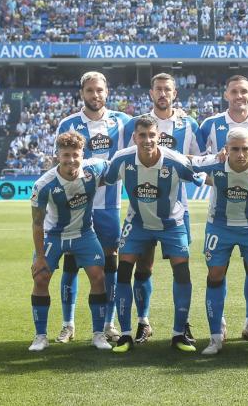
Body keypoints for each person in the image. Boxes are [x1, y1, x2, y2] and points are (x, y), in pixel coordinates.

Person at [104, 116, 198, 353]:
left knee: (182, 272)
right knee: (124, 271)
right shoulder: (123, 159)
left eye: (152, 135)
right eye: (142, 135)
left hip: (171, 223)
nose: (147, 140)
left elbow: (200, 173)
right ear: (134, 137)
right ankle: (125, 335)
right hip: (137, 223)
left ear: (159, 137)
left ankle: (179, 334)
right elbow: (104, 177)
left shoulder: (174, 160)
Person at [127, 73, 206, 345]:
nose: (163, 93)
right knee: (144, 267)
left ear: (175, 93)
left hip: (177, 209)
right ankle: (143, 322)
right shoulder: (138, 125)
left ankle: (181, 325)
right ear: (151, 93)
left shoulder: (188, 124)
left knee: (180, 268)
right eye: (158, 89)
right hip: (143, 207)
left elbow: (197, 159)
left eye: (167, 90)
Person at [54, 72, 133, 343]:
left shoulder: (123, 122)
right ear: (82, 93)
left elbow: (154, 127)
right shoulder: (69, 123)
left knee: (109, 264)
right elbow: (58, 165)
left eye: (99, 90)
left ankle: (108, 323)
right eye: (89, 90)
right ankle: (68, 324)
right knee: (71, 263)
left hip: (109, 206)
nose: (95, 95)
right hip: (75, 207)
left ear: (107, 92)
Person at [191, 128, 248, 355]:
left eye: (246, 149)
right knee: (215, 275)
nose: (241, 154)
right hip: (220, 227)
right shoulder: (214, 164)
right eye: (235, 149)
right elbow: (187, 161)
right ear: (226, 149)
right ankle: (215, 337)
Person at [199, 75, 248, 340]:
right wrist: (219, 171)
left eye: (244, 91)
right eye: (234, 91)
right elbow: (199, 161)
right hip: (221, 210)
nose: (239, 96)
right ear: (226, 94)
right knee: (217, 271)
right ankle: (217, 324)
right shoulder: (211, 124)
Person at [28, 131, 112, 352]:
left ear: (82, 154)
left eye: (75, 154)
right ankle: (40, 336)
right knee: (41, 278)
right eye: (66, 155)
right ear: (57, 155)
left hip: (84, 233)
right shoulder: (43, 185)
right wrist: (40, 257)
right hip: (54, 236)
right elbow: (37, 224)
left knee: (98, 276)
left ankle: (98, 333)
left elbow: (118, 166)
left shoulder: (94, 169)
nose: (71, 160)